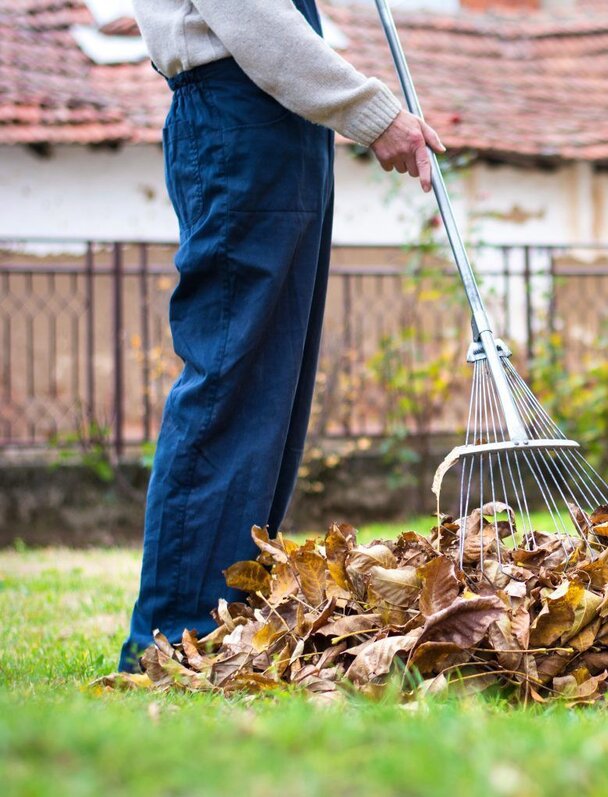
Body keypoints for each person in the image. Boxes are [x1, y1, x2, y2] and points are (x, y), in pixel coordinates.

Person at [119, 0, 444, 671]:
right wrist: (375, 113)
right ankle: (174, 634)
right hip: (238, 114)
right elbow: (249, 14)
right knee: (231, 381)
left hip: (278, 124)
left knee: (272, 393)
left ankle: (228, 623)